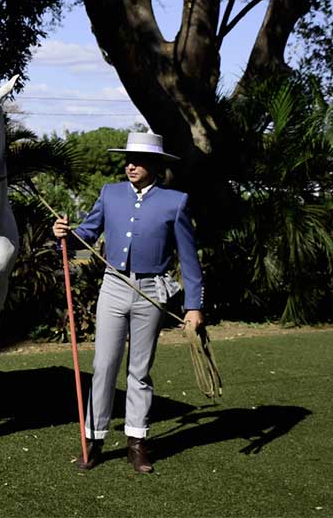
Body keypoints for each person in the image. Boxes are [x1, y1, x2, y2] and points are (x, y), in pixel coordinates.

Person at [52, 132, 204, 474]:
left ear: (155, 165)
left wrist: (193, 306)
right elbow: (86, 234)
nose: (130, 165)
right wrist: (66, 232)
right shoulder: (110, 194)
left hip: (152, 290)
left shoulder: (175, 201)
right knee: (104, 365)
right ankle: (93, 438)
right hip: (113, 287)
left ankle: (137, 442)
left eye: (137, 160)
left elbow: (190, 259)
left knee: (140, 370)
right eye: (128, 159)